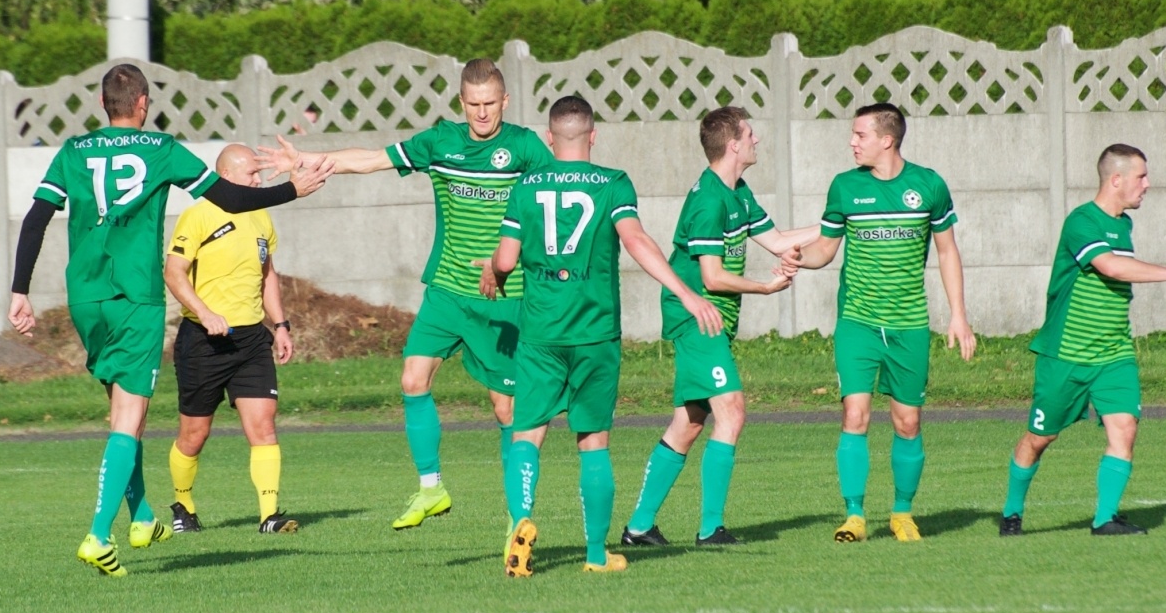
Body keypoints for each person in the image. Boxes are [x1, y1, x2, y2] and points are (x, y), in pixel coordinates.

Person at [8, 63, 331, 577]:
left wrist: (20, 289)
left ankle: (142, 517)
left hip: (85, 298)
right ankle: (97, 534)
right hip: (135, 296)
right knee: (130, 417)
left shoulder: (73, 151)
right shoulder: (159, 150)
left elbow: (36, 218)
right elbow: (227, 195)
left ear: (101, 104)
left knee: (120, 410)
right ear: (143, 104)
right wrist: (290, 190)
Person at [482, 95, 722, 576]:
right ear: (593, 136)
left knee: (526, 433)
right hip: (594, 333)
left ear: (549, 138)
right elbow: (636, 241)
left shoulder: (526, 186)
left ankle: (523, 521)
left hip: (540, 331)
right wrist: (687, 293)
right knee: (593, 441)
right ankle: (595, 554)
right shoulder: (613, 183)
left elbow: (505, 260)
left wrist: (495, 271)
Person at [324, 59, 553, 530]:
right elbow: (371, 159)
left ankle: (518, 517)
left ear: (505, 102)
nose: (482, 114)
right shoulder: (442, 142)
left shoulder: (527, 148)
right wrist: (311, 162)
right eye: (473, 105)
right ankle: (432, 488)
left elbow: (552, 210)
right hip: (447, 290)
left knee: (506, 407)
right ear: (461, 102)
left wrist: (506, 260)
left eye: (490, 104)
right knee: (413, 379)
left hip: (504, 299)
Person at [621, 106, 818, 547]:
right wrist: (766, 289)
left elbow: (778, 240)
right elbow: (711, 277)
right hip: (696, 318)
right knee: (731, 410)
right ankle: (711, 529)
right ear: (733, 144)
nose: (756, 140)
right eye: (750, 133)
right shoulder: (709, 200)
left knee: (689, 423)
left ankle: (638, 527)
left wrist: (835, 223)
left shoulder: (737, 191)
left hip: (712, 320)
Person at [999, 145, 1166, 537]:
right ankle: (1012, 511)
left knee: (1125, 427)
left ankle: (1104, 518)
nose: (1147, 184)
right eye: (1141, 176)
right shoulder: (1082, 222)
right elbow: (1110, 266)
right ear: (1116, 179)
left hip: (1114, 352)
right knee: (1040, 438)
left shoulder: (1124, 224)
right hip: (1067, 354)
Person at [796, 103, 976, 543]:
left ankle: (901, 512)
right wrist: (797, 259)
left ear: (887, 139)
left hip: (909, 324)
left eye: (860, 135)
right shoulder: (844, 187)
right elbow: (824, 248)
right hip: (857, 322)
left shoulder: (928, 185)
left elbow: (947, 251)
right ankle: (854, 516)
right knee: (855, 415)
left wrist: (958, 315)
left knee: (907, 422)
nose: (852, 142)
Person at [163, 144, 300, 536]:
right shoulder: (198, 215)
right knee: (194, 434)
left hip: (251, 342)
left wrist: (281, 324)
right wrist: (205, 313)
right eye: (250, 176)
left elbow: (268, 274)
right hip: (203, 341)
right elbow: (173, 273)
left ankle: (270, 516)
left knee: (264, 426)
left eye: (258, 175)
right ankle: (183, 506)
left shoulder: (260, 217)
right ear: (226, 177)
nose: (258, 182)